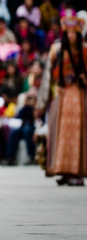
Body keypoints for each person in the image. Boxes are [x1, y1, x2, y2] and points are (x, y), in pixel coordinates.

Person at [36, 16, 87, 186]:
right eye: (68, 32)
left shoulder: (85, 51)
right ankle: (63, 170)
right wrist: (41, 103)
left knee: (78, 135)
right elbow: (47, 78)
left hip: (79, 97)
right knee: (59, 134)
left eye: (74, 33)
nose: (71, 36)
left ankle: (77, 172)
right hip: (60, 96)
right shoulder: (56, 50)